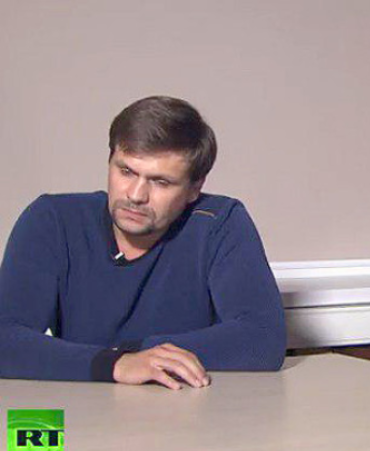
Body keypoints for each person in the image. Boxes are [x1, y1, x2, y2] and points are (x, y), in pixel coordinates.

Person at [0, 96, 286, 390]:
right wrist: (116, 363)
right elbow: (5, 338)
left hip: (183, 408)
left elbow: (263, 338)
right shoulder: (53, 220)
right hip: (74, 406)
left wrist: (141, 355)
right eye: (126, 171)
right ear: (109, 161)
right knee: (22, 423)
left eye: (161, 182)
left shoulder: (218, 222)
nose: (136, 195)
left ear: (194, 189)